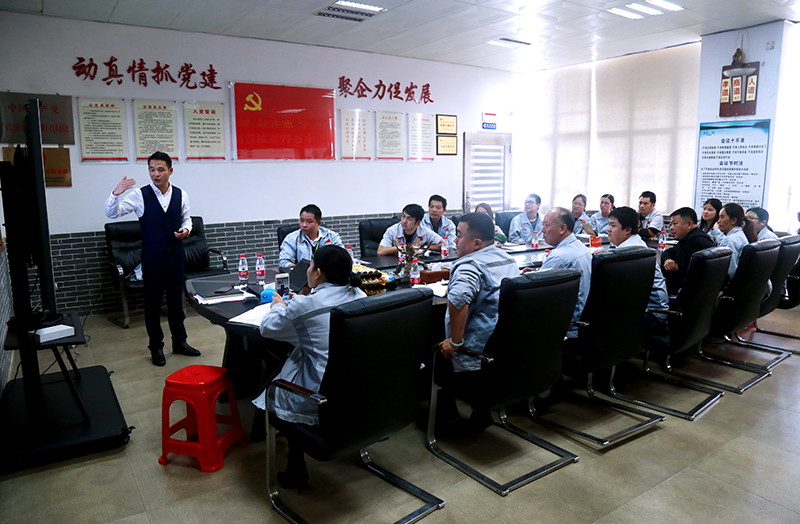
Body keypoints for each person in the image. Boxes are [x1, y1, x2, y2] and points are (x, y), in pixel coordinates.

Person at [253, 245, 366, 489]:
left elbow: (268, 328)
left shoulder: (305, 305)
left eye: (311, 265)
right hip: (359, 392)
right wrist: (300, 303)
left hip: (322, 399)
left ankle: (296, 467)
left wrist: (279, 305)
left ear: (318, 273)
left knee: (281, 377)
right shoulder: (359, 294)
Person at [105, 152, 200, 366]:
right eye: (152, 170)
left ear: (170, 171)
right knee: (153, 304)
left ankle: (180, 342)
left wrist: (186, 230)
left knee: (176, 302)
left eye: (160, 170)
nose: (156, 174)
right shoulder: (140, 195)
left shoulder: (181, 194)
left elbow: (187, 218)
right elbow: (112, 213)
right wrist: (115, 194)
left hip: (175, 256)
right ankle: (156, 347)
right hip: (153, 258)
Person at [436, 213, 519, 435]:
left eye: (459, 235)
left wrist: (455, 341)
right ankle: (480, 410)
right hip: (505, 352)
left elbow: (458, 299)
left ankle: (448, 418)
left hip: (476, 356)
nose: (454, 240)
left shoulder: (469, 265)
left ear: (476, 243)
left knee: (434, 351)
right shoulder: (508, 260)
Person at [608, 207, 669, 333]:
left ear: (628, 230)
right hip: (652, 311)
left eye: (613, 226)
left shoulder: (628, 252)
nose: (608, 229)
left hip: (652, 315)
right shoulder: (636, 243)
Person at [538, 207, 592, 337]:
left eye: (546, 225)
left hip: (566, 327)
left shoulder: (558, 257)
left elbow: (537, 295)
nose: (542, 230)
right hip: (583, 321)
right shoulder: (582, 247)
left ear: (562, 228)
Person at [661, 207, 716, 294]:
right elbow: (670, 251)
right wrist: (667, 259)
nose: (671, 228)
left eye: (675, 224)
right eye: (670, 224)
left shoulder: (697, 241)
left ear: (689, 224)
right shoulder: (688, 238)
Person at [279, 204, 343, 269]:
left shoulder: (331, 236)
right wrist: (299, 270)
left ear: (318, 223)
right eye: (302, 220)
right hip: (302, 274)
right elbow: (284, 262)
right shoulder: (291, 238)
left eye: (309, 221)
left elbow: (342, 258)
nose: (304, 225)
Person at [377, 203, 442, 256]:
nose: (404, 221)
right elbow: (380, 251)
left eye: (409, 219)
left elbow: (444, 245)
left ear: (418, 223)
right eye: (403, 216)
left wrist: (422, 247)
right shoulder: (392, 230)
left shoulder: (424, 231)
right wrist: (405, 247)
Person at [717, 203, 757, 279]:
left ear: (733, 220)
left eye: (722, 217)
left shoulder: (731, 241)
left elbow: (729, 271)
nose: (718, 222)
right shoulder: (740, 234)